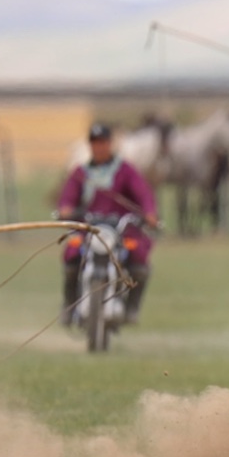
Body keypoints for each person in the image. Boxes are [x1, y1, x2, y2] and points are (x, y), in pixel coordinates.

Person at [58, 122, 159, 325]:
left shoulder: (125, 170)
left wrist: (149, 213)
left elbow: (143, 194)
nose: (99, 147)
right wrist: (66, 209)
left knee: (139, 260)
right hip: (88, 230)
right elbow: (67, 199)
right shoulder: (80, 172)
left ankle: (131, 308)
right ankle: (69, 306)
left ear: (110, 144)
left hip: (120, 230)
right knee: (71, 256)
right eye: (95, 143)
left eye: (103, 142)